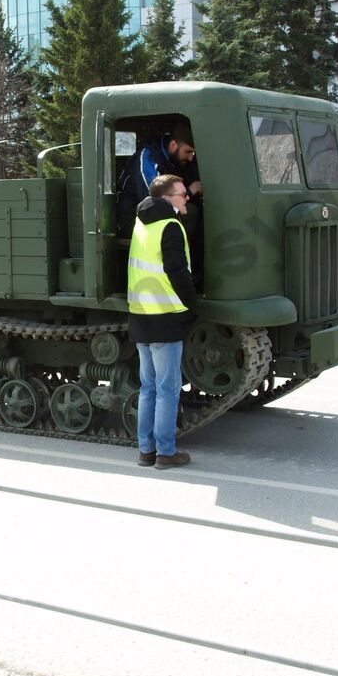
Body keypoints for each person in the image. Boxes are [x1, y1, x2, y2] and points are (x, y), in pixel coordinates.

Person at [127, 173, 196, 470]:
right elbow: (177, 271)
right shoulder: (170, 226)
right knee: (168, 388)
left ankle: (146, 450)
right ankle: (166, 452)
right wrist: (192, 305)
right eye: (182, 194)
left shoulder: (140, 222)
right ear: (168, 199)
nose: (187, 198)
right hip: (166, 316)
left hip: (141, 314)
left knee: (149, 387)